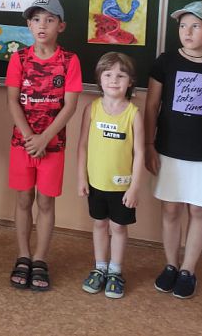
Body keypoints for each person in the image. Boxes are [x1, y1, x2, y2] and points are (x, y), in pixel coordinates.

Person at [143, 1, 202, 299]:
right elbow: (151, 106)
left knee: (198, 210)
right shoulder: (166, 62)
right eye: (183, 26)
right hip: (168, 149)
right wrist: (148, 144)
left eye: (196, 26)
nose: (187, 31)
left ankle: (188, 270)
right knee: (171, 209)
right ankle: (171, 264)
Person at [5, 0, 81, 291]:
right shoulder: (19, 59)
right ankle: (23, 255)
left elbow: (69, 106)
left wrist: (44, 138)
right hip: (22, 144)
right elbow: (13, 101)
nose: (42, 25)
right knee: (24, 199)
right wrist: (30, 138)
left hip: (53, 146)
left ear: (61, 26)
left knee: (46, 202)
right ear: (28, 24)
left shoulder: (69, 61)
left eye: (49, 20)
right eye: (36, 19)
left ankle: (40, 258)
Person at [77, 52, 144, 299]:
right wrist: (81, 177)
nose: (114, 80)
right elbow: (82, 146)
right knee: (99, 224)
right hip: (96, 183)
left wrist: (135, 187)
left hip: (122, 187)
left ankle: (115, 271)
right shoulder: (92, 109)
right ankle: (100, 267)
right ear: (99, 79)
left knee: (118, 227)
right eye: (108, 75)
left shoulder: (134, 113)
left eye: (120, 75)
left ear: (130, 81)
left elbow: (140, 153)